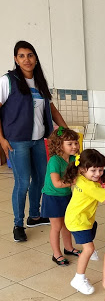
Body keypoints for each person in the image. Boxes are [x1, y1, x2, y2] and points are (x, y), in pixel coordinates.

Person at [0, 40, 67, 243]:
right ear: (15, 59)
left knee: (40, 179)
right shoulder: (8, 80)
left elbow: (52, 109)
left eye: (30, 55)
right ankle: (18, 224)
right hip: (17, 141)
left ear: (35, 58)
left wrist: (66, 131)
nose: (26, 59)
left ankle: (35, 216)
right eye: (21, 56)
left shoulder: (40, 82)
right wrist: (1, 140)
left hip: (38, 140)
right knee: (23, 182)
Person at [63, 148, 105, 295]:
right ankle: (78, 278)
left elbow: (99, 176)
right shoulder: (88, 185)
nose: (98, 174)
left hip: (81, 217)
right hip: (78, 220)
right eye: (94, 170)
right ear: (83, 169)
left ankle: (89, 249)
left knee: (93, 226)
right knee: (88, 249)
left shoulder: (82, 176)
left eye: (100, 170)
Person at [41, 127, 81, 266]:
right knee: (56, 226)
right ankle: (56, 254)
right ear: (59, 145)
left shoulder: (73, 158)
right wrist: (74, 181)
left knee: (67, 224)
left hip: (66, 195)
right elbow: (57, 183)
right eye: (70, 144)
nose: (74, 146)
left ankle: (68, 248)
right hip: (52, 197)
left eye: (76, 143)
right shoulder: (54, 161)